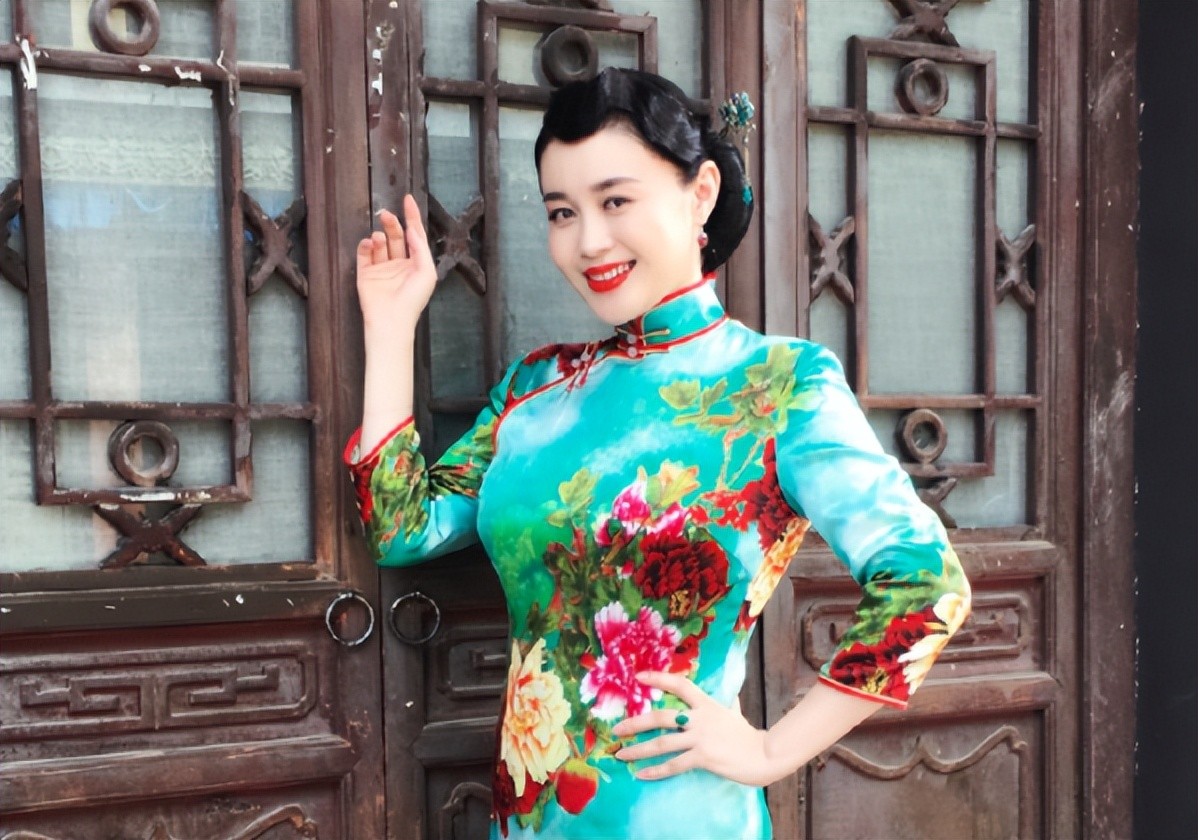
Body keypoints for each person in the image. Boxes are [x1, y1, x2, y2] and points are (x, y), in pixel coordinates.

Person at [345, 67, 971, 840]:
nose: (588, 241)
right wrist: (390, 327)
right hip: (531, 821)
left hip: (679, 816)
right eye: (562, 212)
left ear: (700, 193)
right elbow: (402, 528)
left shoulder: (779, 385)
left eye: (615, 201)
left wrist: (771, 751)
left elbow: (926, 583)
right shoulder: (534, 389)